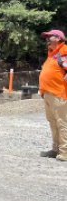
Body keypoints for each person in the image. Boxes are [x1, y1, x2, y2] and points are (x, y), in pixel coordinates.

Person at [39, 29, 67, 161]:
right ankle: (56, 149)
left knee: (62, 123)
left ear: (58, 38)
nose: (47, 39)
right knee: (53, 122)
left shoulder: (64, 50)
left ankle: (64, 152)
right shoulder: (52, 54)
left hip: (59, 94)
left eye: (50, 37)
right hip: (48, 94)